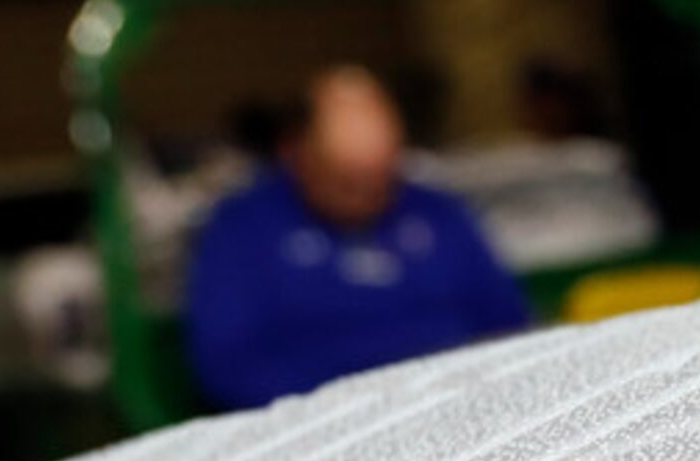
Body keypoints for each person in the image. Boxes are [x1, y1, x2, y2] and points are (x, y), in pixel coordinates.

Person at [184, 66, 532, 410]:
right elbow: (228, 365)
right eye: (346, 182)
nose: (366, 196)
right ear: (295, 153)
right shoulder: (240, 230)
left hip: (457, 401)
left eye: (380, 179)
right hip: (321, 421)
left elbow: (508, 323)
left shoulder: (440, 213)